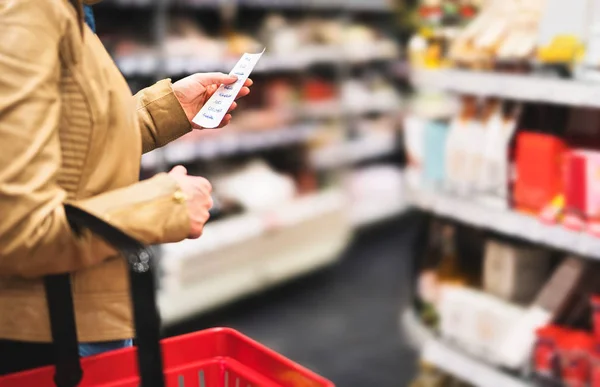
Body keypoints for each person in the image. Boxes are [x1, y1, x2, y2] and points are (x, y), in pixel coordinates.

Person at [0, 0, 253, 375]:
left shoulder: (64, 11)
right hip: (50, 330)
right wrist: (165, 205)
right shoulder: (27, 11)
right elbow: (16, 227)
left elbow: (64, 138)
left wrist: (161, 111)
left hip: (70, 309)